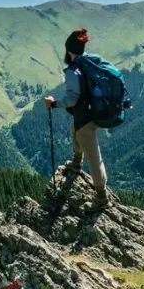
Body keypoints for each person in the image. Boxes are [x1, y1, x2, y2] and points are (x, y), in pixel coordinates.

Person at [44, 28, 109, 210]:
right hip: (95, 112)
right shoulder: (89, 62)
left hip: (86, 119)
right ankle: (76, 162)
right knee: (74, 128)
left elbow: (72, 99)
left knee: (94, 158)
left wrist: (54, 103)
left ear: (69, 50)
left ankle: (102, 198)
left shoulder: (73, 70)